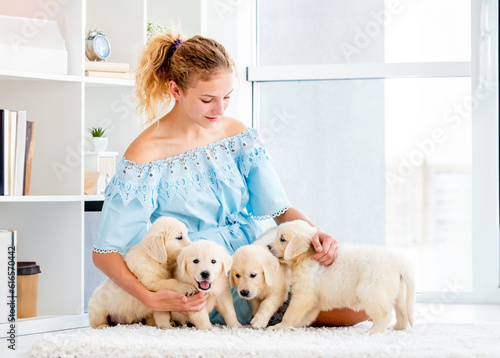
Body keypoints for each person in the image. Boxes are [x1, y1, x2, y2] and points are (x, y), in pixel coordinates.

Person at [92, 32, 369, 326]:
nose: (220, 109)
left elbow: (280, 211)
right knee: (348, 310)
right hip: (208, 273)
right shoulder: (145, 153)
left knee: (362, 296)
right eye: (208, 99)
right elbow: (105, 252)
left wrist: (317, 234)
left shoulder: (236, 134)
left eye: (227, 97)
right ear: (176, 90)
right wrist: (151, 298)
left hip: (257, 258)